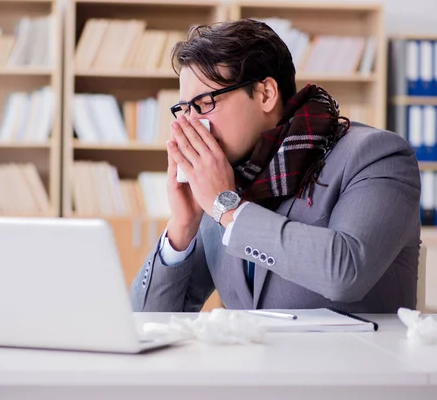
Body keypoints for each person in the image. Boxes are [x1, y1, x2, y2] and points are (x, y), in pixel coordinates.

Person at [130, 19, 421, 314]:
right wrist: (181, 227)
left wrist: (228, 208)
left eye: (204, 103)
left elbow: (345, 273)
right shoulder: (225, 179)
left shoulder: (377, 156)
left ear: (265, 94)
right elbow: (146, 320)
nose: (192, 124)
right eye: (185, 109)